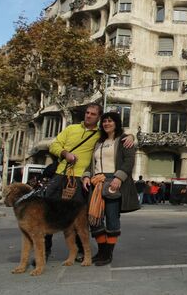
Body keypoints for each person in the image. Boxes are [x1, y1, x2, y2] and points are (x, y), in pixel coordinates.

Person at [44, 103, 134, 262]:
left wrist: (133, 136)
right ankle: (44, 250)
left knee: (82, 217)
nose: (88, 116)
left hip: (87, 181)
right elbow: (54, 145)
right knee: (48, 212)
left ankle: (82, 251)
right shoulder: (72, 129)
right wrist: (65, 153)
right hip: (62, 175)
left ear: (98, 117)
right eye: (87, 113)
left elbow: (125, 145)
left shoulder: (100, 135)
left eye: (93, 114)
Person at [82, 111, 137, 266]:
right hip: (96, 182)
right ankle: (101, 251)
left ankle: (108, 254)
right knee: (95, 219)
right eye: (104, 121)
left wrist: (119, 178)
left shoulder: (124, 140)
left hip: (112, 182)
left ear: (116, 123)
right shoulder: (98, 142)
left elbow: (129, 161)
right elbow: (91, 163)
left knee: (112, 218)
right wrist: (86, 175)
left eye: (110, 121)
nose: (107, 123)